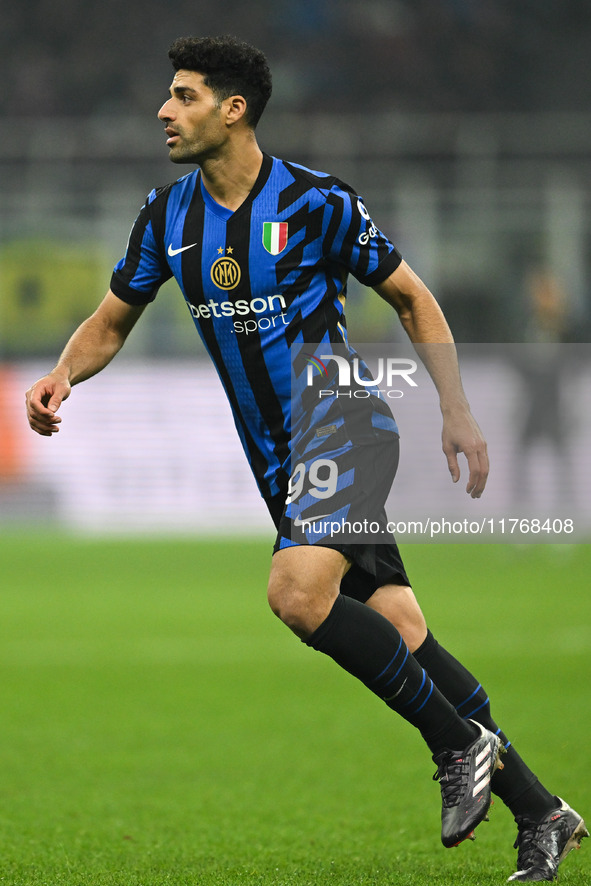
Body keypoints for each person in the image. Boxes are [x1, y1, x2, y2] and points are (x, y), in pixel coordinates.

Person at [25, 35, 586, 882]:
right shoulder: (165, 216)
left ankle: (458, 743)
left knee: (295, 593)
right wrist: (62, 374)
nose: (163, 111)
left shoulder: (317, 202)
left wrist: (457, 410)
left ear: (232, 109)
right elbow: (111, 320)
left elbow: (409, 296)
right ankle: (541, 811)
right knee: (399, 631)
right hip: (279, 460)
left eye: (182, 96)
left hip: (346, 423)